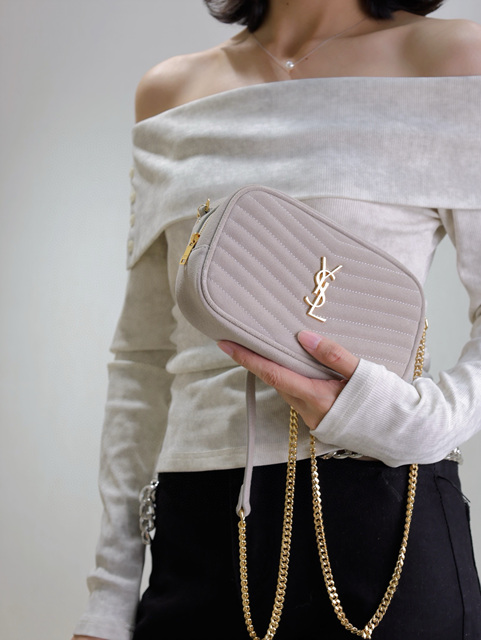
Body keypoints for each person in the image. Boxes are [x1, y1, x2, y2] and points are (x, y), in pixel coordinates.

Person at [72, 1, 481, 638]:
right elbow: (144, 359)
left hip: (381, 517)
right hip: (196, 532)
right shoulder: (169, 94)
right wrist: (110, 596)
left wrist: (407, 420)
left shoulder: (453, 61)